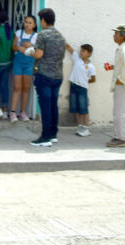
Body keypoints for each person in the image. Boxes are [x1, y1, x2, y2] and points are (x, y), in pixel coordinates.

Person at [26, 8, 66, 147]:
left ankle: (45, 137)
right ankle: (53, 134)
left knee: (45, 106)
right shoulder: (61, 36)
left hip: (44, 75)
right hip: (58, 75)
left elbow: (38, 54)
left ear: (43, 20)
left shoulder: (43, 35)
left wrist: (30, 51)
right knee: (53, 105)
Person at [107, 25, 125, 147]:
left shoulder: (124, 49)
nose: (114, 36)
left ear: (123, 35)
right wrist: (113, 67)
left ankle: (120, 139)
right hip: (122, 84)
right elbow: (123, 65)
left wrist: (121, 80)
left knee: (119, 112)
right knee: (123, 112)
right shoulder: (123, 48)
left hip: (122, 85)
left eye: (116, 33)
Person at [9, 15, 38, 122]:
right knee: (17, 87)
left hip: (29, 64)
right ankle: (12, 113)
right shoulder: (18, 33)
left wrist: (30, 46)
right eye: (26, 22)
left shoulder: (36, 36)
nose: (27, 24)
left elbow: (38, 51)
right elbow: (12, 47)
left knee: (26, 88)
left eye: (30, 22)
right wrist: (19, 47)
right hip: (18, 63)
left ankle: (22, 112)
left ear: (34, 25)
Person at [66, 43, 96, 137]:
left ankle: (86, 128)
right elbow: (69, 48)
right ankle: (80, 127)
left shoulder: (91, 66)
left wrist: (84, 81)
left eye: (83, 51)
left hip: (82, 88)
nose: (81, 52)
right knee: (76, 108)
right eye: (81, 50)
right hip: (73, 86)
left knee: (84, 108)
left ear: (89, 54)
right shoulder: (77, 59)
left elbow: (93, 79)